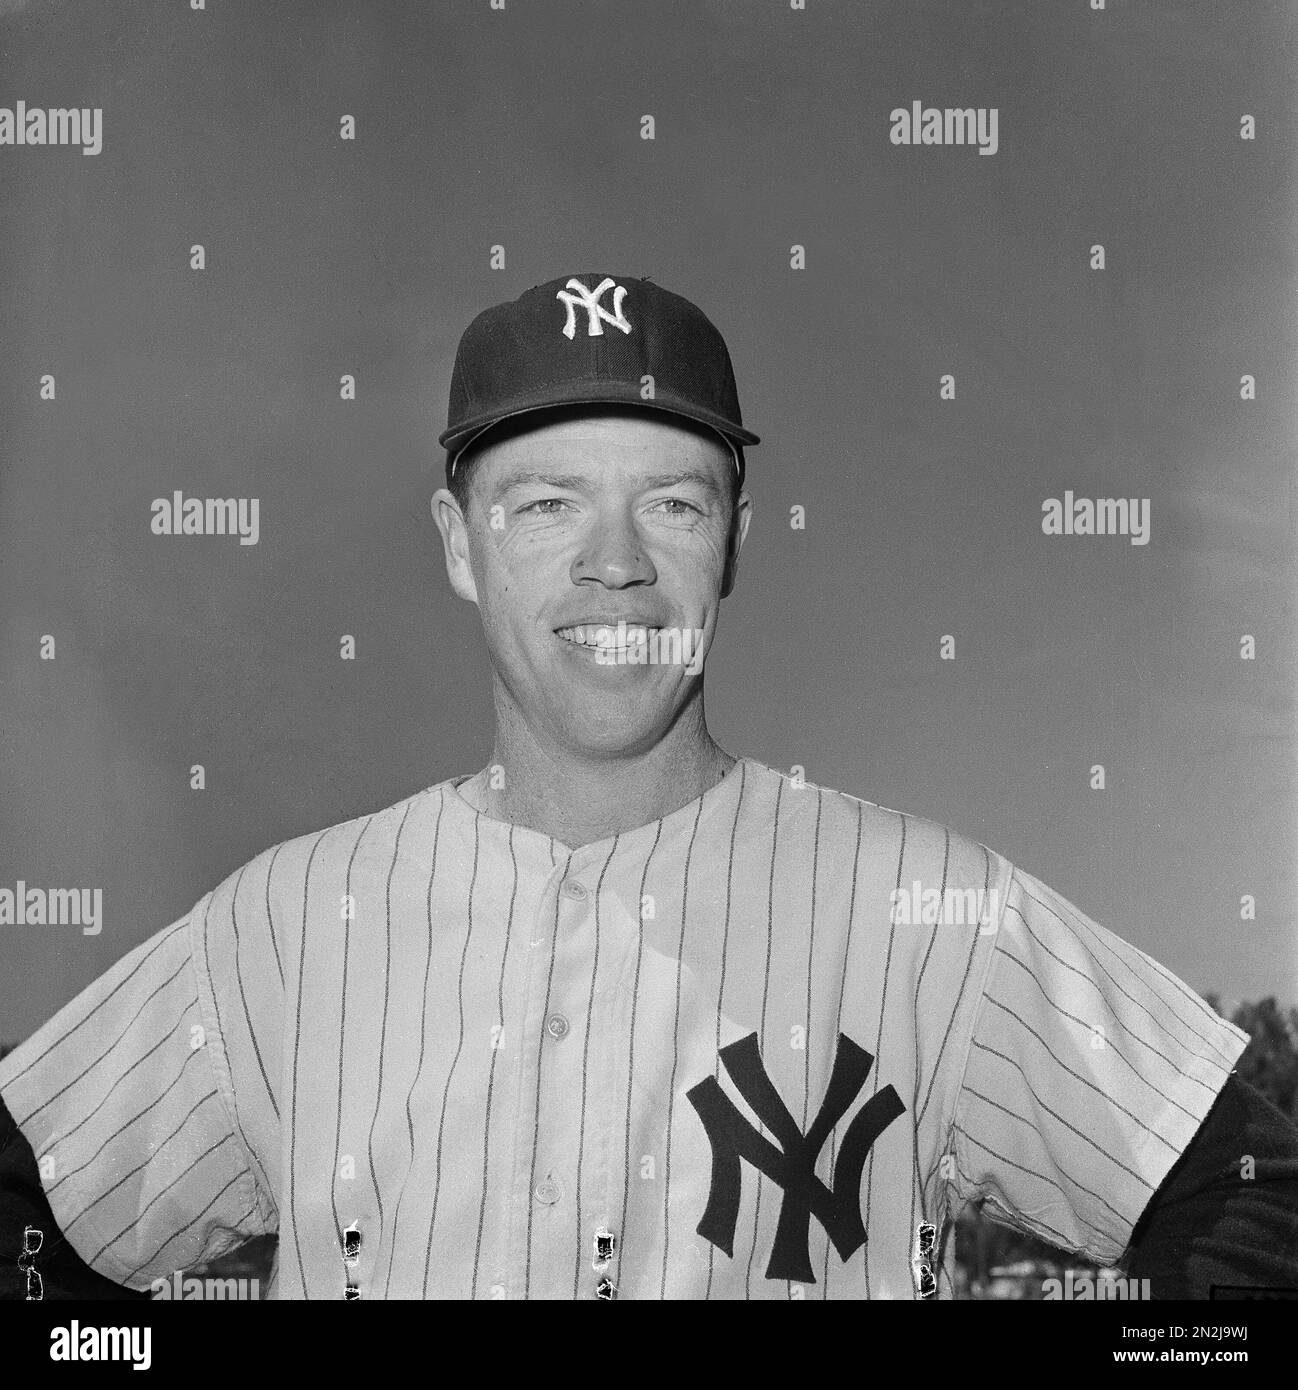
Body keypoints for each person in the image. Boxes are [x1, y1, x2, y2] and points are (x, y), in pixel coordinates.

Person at [2, 273, 1296, 1301]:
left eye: (672, 504)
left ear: (734, 533)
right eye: (546, 503)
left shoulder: (928, 912)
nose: (612, 563)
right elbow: (34, 1193)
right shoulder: (282, 925)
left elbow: (1250, 1185)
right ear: (460, 544)